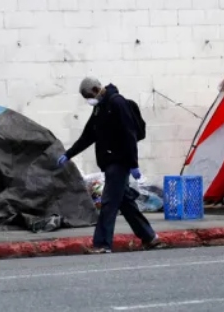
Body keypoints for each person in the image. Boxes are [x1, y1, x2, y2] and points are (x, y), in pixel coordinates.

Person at [57, 77, 166, 254]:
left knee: (108, 203)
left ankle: (102, 244)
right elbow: (88, 136)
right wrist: (68, 154)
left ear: (95, 89)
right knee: (125, 203)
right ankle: (150, 238)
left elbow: (129, 133)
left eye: (87, 96)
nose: (88, 100)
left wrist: (133, 164)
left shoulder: (117, 103)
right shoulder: (99, 109)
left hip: (120, 161)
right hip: (110, 162)